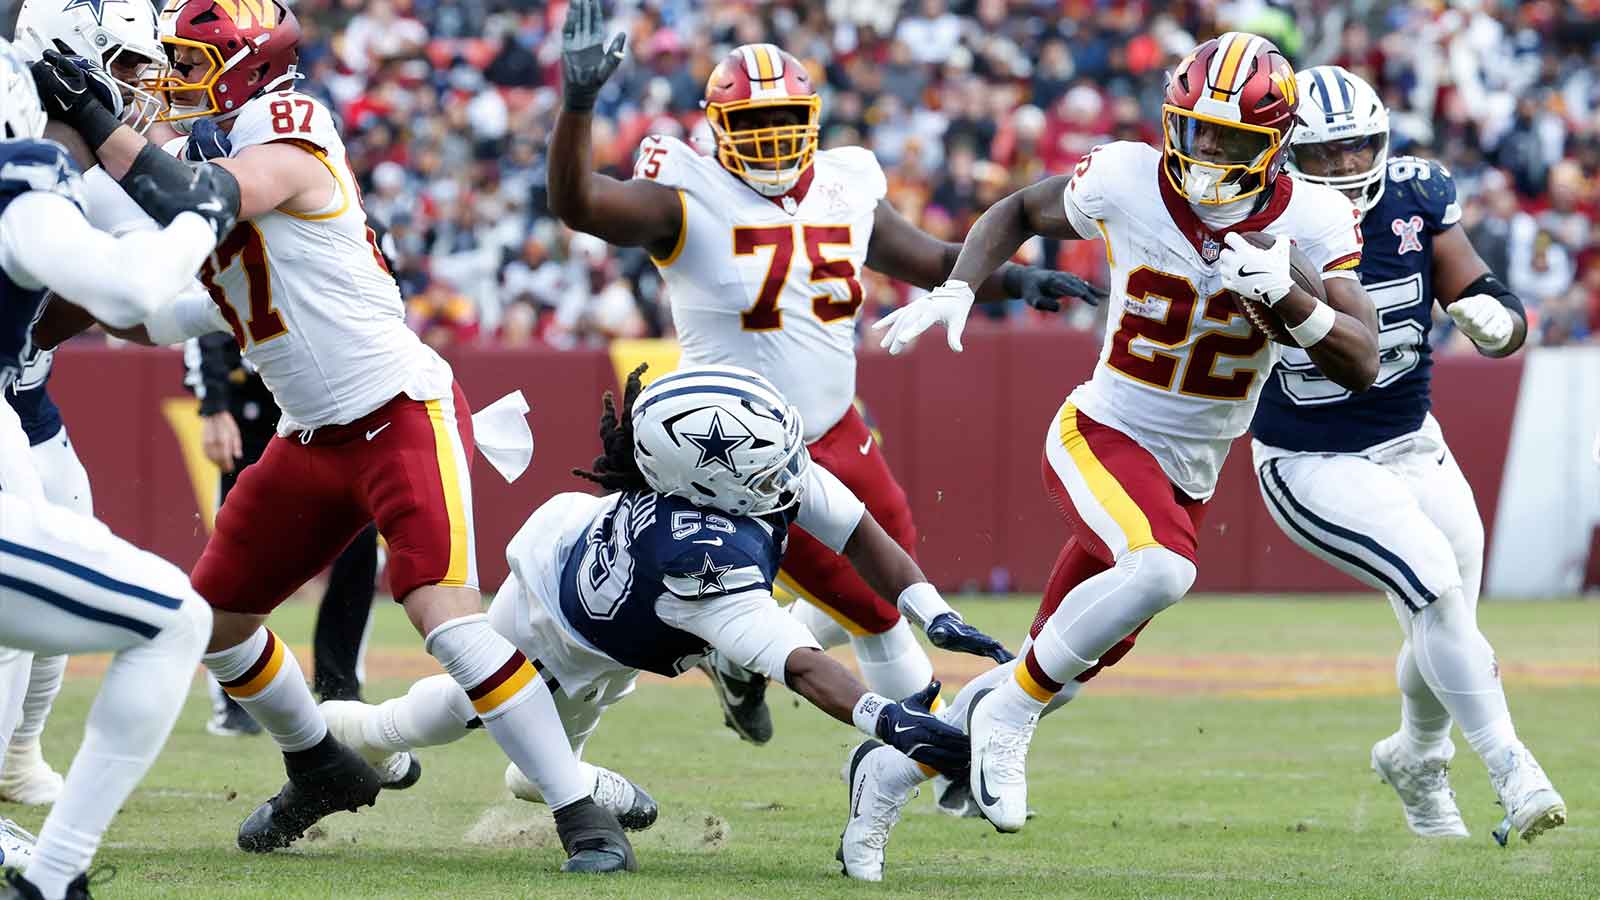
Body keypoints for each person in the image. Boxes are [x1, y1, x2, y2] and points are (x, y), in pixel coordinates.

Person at [28, 0, 544, 857]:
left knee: (444, 618)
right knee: (213, 619)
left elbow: (196, 203)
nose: (169, 83)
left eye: (189, 65)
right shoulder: (203, 146)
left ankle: (577, 799)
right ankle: (322, 759)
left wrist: (96, 118)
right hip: (306, 421)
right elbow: (146, 302)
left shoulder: (280, 124)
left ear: (247, 68)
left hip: (388, 400)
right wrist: (46, 316)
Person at [862, 32, 1381, 869]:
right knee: (1161, 573)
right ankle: (1007, 717)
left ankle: (887, 773)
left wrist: (1285, 292)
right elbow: (1017, 211)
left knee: (1052, 670)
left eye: (1231, 139)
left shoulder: (1312, 218)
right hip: (1104, 430)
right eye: (1196, 131)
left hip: (1190, 471)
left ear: (1277, 145)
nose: (1207, 152)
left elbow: (1362, 359)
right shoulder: (1129, 176)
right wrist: (960, 283)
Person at [548, 0, 1095, 746]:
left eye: (784, 122)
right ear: (715, 128)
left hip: (837, 429)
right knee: (875, 609)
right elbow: (578, 203)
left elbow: (932, 261)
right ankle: (935, 755)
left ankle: (740, 657)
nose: (771, 143)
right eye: (751, 126)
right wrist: (578, 104)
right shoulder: (686, 194)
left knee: (892, 586)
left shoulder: (846, 182)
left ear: (813, 118)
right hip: (736, 451)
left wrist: (1015, 280)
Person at [319, 365, 981, 876]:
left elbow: (858, 531)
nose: (789, 475)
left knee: (531, 758)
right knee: (459, 721)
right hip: (559, 626)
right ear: (708, 483)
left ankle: (654, 705)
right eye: (769, 466)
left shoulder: (723, 480)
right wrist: (889, 720)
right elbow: (802, 665)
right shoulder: (697, 558)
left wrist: (934, 612)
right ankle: (343, 731)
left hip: (606, 602)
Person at [1250, 65, 1563, 843]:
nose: (1348, 167)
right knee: (1430, 581)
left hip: (1413, 441)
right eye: (1326, 155)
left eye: (1359, 149)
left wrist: (1499, 319)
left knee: (1448, 605)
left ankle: (1416, 755)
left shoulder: (1418, 191)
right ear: (1289, 155)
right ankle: (1511, 767)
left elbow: (1482, 289)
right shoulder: (1258, 221)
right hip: (1310, 457)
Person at [0, 37, 236, 900]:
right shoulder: (22, 180)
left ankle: (22, 781)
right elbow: (130, 293)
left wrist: (226, 308)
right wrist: (202, 217)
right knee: (173, 620)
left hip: (14, 410)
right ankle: (52, 879)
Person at [0, 0, 170, 809]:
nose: (142, 84)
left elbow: (123, 306)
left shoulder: (73, 161)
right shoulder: (29, 157)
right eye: (129, 64)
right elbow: (131, 297)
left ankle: (19, 753)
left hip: (19, 393)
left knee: (67, 545)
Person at [185, 328, 380, 736]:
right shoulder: (241, 266)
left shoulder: (365, 264)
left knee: (361, 544)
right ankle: (232, 698)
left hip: (330, 413)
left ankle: (339, 686)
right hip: (256, 417)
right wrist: (215, 405)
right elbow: (206, 320)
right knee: (242, 559)